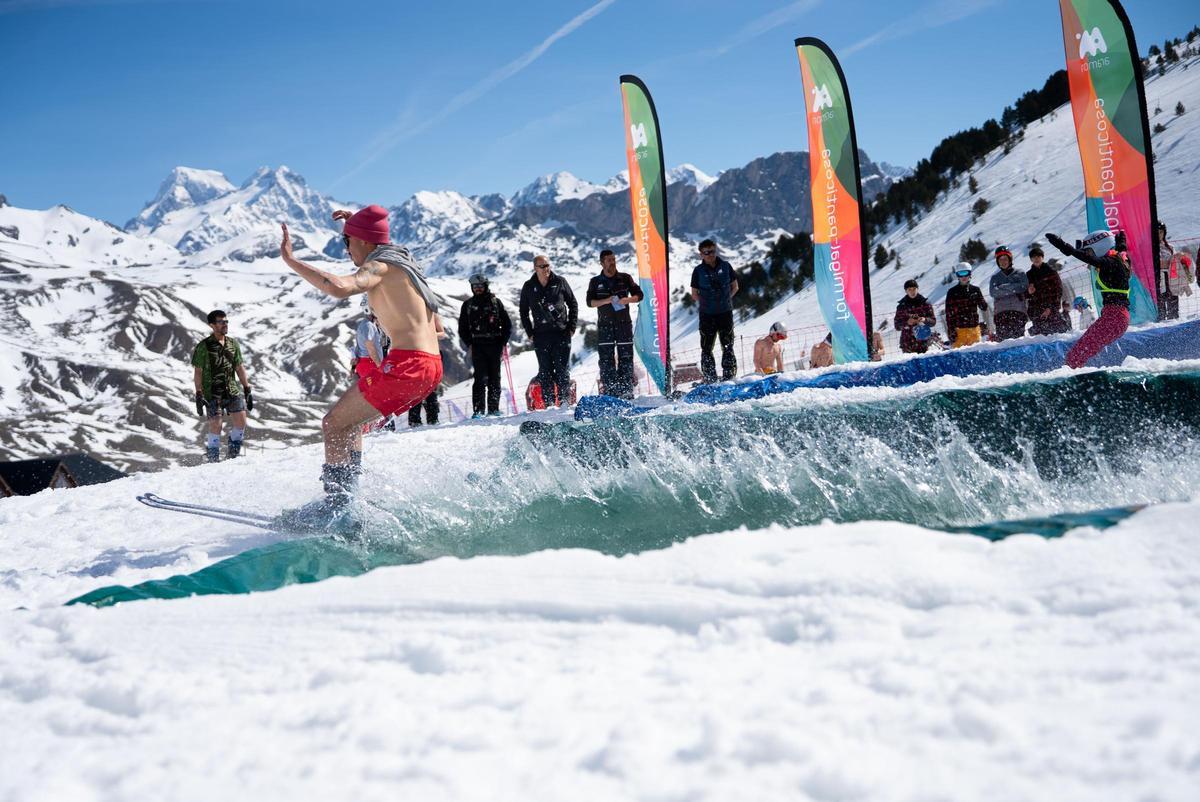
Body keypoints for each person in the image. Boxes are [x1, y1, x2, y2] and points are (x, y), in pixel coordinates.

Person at [280, 205, 441, 511]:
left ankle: (337, 507)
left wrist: (291, 260)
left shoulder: (379, 266)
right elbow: (437, 324)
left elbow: (340, 287)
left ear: (365, 241)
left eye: (347, 241)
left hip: (409, 364)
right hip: (429, 364)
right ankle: (348, 501)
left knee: (333, 424)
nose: (346, 249)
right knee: (349, 424)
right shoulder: (405, 262)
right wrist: (357, 223)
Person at [1046, 229, 1131, 369]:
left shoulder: (1111, 263)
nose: (1089, 255)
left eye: (1089, 251)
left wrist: (1066, 248)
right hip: (1117, 317)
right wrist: (1121, 242)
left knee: (1074, 357)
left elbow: (1092, 260)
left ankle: (1076, 380)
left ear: (1100, 247)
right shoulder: (1121, 260)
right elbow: (1122, 250)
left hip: (1114, 318)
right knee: (1078, 355)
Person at [192, 310, 252, 462]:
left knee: (241, 422)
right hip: (212, 392)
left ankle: (233, 456)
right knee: (216, 426)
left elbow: (239, 367)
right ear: (212, 325)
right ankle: (213, 460)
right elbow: (198, 372)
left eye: (226, 321)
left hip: (232, 389)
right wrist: (199, 393)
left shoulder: (233, 344)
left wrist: (247, 388)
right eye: (221, 322)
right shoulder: (203, 346)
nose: (225, 324)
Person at [520, 255, 578, 408]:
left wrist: (571, 327)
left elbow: (573, 303)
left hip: (561, 334)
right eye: (542, 266)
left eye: (547, 265)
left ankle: (565, 403)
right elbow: (523, 311)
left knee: (562, 370)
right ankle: (550, 405)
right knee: (545, 371)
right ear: (535, 268)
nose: (546, 269)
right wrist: (529, 332)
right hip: (540, 336)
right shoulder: (529, 286)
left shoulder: (560, 281)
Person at [586, 249, 644, 399]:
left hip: (624, 324)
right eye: (609, 260)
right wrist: (605, 301)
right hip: (605, 326)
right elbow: (589, 302)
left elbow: (640, 295)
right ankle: (610, 392)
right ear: (602, 263)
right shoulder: (595, 281)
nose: (612, 262)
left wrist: (628, 300)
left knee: (626, 357)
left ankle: (626, 390)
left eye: (613, 259)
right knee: (606, 359)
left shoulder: (625, 278)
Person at [459, 273, 512, 417]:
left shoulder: (496, 302)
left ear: (486, 286)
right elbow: (462, 328)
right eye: (474, 286)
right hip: (478, 346)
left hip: (495, 345)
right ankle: (478, 411)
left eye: (480, 286)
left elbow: (507, 324)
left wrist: (503, 341)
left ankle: (493, 409)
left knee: (495, 378)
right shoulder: (468, 305)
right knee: (479, 379)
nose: (477, 288)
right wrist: (469, 343)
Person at [690, 239, 739, 382]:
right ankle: (710, 378)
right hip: (707, 315)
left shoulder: (726, 266)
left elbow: (735, 286)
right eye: (706, 252)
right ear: (701, 254)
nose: (710, 254)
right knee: (706, 347)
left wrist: (726, 299)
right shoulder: (698, 271)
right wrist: (707, 303)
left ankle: (729, 376)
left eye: (712, 251)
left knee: (728, 345)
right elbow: (694, 294)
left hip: (725, 313)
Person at [408, 313, 447, 426]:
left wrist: (429, 335)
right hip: (416, 354)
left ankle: (433, 418)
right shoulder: (410, 314)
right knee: (415, 386)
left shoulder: (432, 315)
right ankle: (414, 419)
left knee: (432, 386)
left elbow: (442, 333)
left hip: (432, 353)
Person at [1026, 244, 1069, 336]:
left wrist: (1051, 308)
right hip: (1037, 311)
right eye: (1034, 257)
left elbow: (1058, 290)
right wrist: (1029, 292)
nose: (1036, 259)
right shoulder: (1029, 275)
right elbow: (1025, 294)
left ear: (1042, 257)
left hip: (1052, 309)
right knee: (1041, 337)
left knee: (1058, 335)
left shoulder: (1051, 271)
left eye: (1038, 256)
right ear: (1031, 259)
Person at [988, 245, 1028, 341]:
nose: (1003, 262)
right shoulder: (995, 277)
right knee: (1004, 343)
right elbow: (993, 292)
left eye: (1005, 259)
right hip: (1001, 314)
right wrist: (1013, 286)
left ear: (1010, 259)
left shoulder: (1020, 273)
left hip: (1018, 312)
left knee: (1019, 341)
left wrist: (1002, 287)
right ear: (998, 262)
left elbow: (1023, 287)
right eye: (1000, 260)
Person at [944, 263, 989, 348]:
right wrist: (951, 331)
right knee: (960, 355)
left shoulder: (975, 290)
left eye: (966, 273)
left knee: (976, 352)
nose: (963, 277)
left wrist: (978, 298)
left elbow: (984, 307)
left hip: (974, 329)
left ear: (970, 274)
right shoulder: (952, 292)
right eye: (961, 274)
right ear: (957, 275)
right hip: (959, 331)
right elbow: (949, 314)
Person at [894, 279, 936, 354]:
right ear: (906, 291)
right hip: (907, 342)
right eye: (909, 289)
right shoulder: (901, 306)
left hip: (923, 341)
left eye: (914, 289)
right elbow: (897, 326)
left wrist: (925, 319)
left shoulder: (925, 303)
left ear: (917, 289)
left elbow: (933, 322)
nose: (912, 291)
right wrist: (907, 322)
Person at [352, 299, 389, 379]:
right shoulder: (368, 326)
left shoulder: (369, 324)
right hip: (369, 364)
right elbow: (371, 348)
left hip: (368, 363)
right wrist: (380, 366)